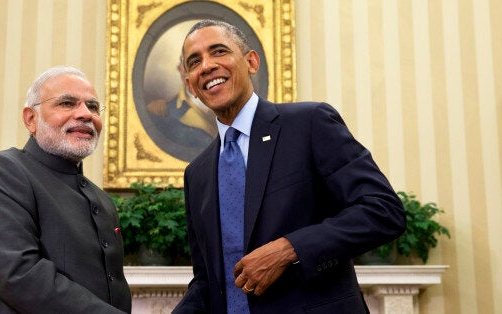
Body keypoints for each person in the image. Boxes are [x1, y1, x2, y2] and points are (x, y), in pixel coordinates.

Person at [173, 20, 406, 313]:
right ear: (190, 85)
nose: (206, 66)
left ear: (251, 62)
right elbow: (207, 281)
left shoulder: (308, 123)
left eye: (218, 52)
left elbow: (383, 211)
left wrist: (289, 249)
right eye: (194, 62)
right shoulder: (197, 173)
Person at [0, 66, 131, 313]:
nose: (85, 114)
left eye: (93, 107)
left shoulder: (101, 200)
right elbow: (20, 275)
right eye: (67, 103)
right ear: (31, 119)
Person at [146, 56, 218, 161]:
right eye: (184, 63)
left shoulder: (233, 104)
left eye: (195, 62)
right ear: (180, 69)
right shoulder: (163, 111)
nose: (187, 68)